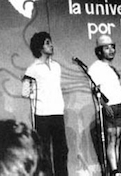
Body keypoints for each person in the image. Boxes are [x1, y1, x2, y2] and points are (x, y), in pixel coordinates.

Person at [22, 31, 68, 176]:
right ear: (40, 47)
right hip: (42, 114)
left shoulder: (56, 67)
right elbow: (24, 92)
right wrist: (37, 95)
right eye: (47, 43)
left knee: (61, 149)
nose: (51, 45)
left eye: (50, 42)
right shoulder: (32, 69)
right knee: (44, 151)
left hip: (57, 113)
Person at [88, 34, 121, 176]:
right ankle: (114, 170)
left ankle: (116, 169)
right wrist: (104, 106)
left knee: (117, 138)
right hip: (109, 107)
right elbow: (96, 91)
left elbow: (118, 89)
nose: (111, 50)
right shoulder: (95, 68)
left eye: (112, 47)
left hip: (118, 106)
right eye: (107, 48)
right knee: (111, 138)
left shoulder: (111, 68)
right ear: (100, 51)